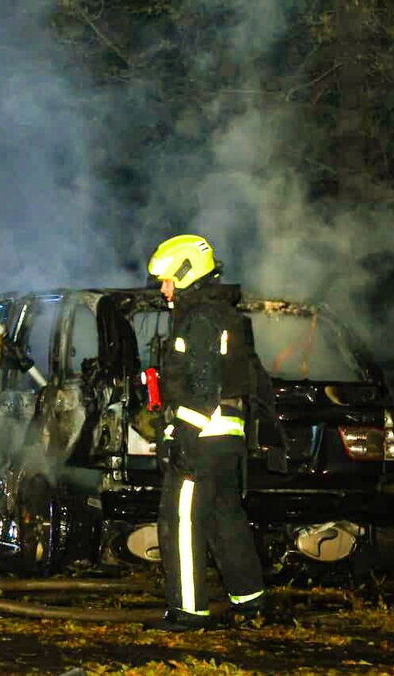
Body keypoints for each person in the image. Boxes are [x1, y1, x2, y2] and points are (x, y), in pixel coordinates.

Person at [146, 234, 266, 631]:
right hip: (226, 437)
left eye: (167, 280)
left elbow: (202, 387)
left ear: (185, 273)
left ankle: (188, 611)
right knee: (224, 517)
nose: (164, 289)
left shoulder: (198, 320)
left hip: (202, 438)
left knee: (179, 520)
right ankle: (250, 603)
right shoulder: (222, 314)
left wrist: (181, 438)